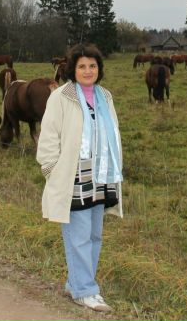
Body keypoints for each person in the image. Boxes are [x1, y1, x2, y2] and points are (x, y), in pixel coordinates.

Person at [36, 43, 123, 313]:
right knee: (78, 236)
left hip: (101, 174)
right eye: (82, 66)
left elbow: (113, 132)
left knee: (94, 235)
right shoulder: (62, 96)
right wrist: (52, 170)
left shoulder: (105, 96)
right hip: (73, 177)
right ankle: (85, 290)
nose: (88, 71)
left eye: (93, 66)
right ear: (73, 69)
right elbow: (49, 136)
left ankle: (77, 283)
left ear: (99, 69)